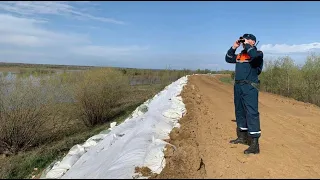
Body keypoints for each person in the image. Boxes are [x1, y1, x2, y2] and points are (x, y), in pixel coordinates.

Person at [225, 33, 264, 154]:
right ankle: (242, 137)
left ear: (253, 42)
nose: (244, 42)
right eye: (243, 41)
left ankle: (254, 144)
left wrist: (247, 45)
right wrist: (234, 47)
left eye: (247, 40)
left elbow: (253, 55)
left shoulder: (257, 54)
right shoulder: (241, 55)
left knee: (252, 113)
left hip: (250, 86)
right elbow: (228, 58)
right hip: (238, 86)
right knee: (240, 111)